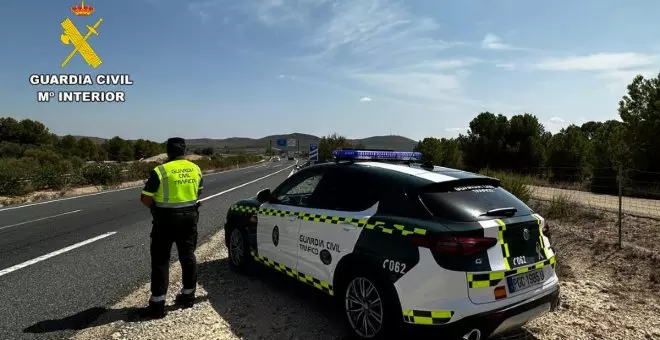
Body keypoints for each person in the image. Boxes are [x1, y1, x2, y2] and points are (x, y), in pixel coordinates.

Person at [139, 137, 203, 318]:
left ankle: (158, 305)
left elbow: (145, 197)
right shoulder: (195, 169)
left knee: (160, 260)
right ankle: (188, 296)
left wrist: (156, 208)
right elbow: (199, 191)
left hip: (165, 221)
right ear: (184, 150)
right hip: (189, 218)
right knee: (188, 256)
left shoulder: (160, 171)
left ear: (168, 151)